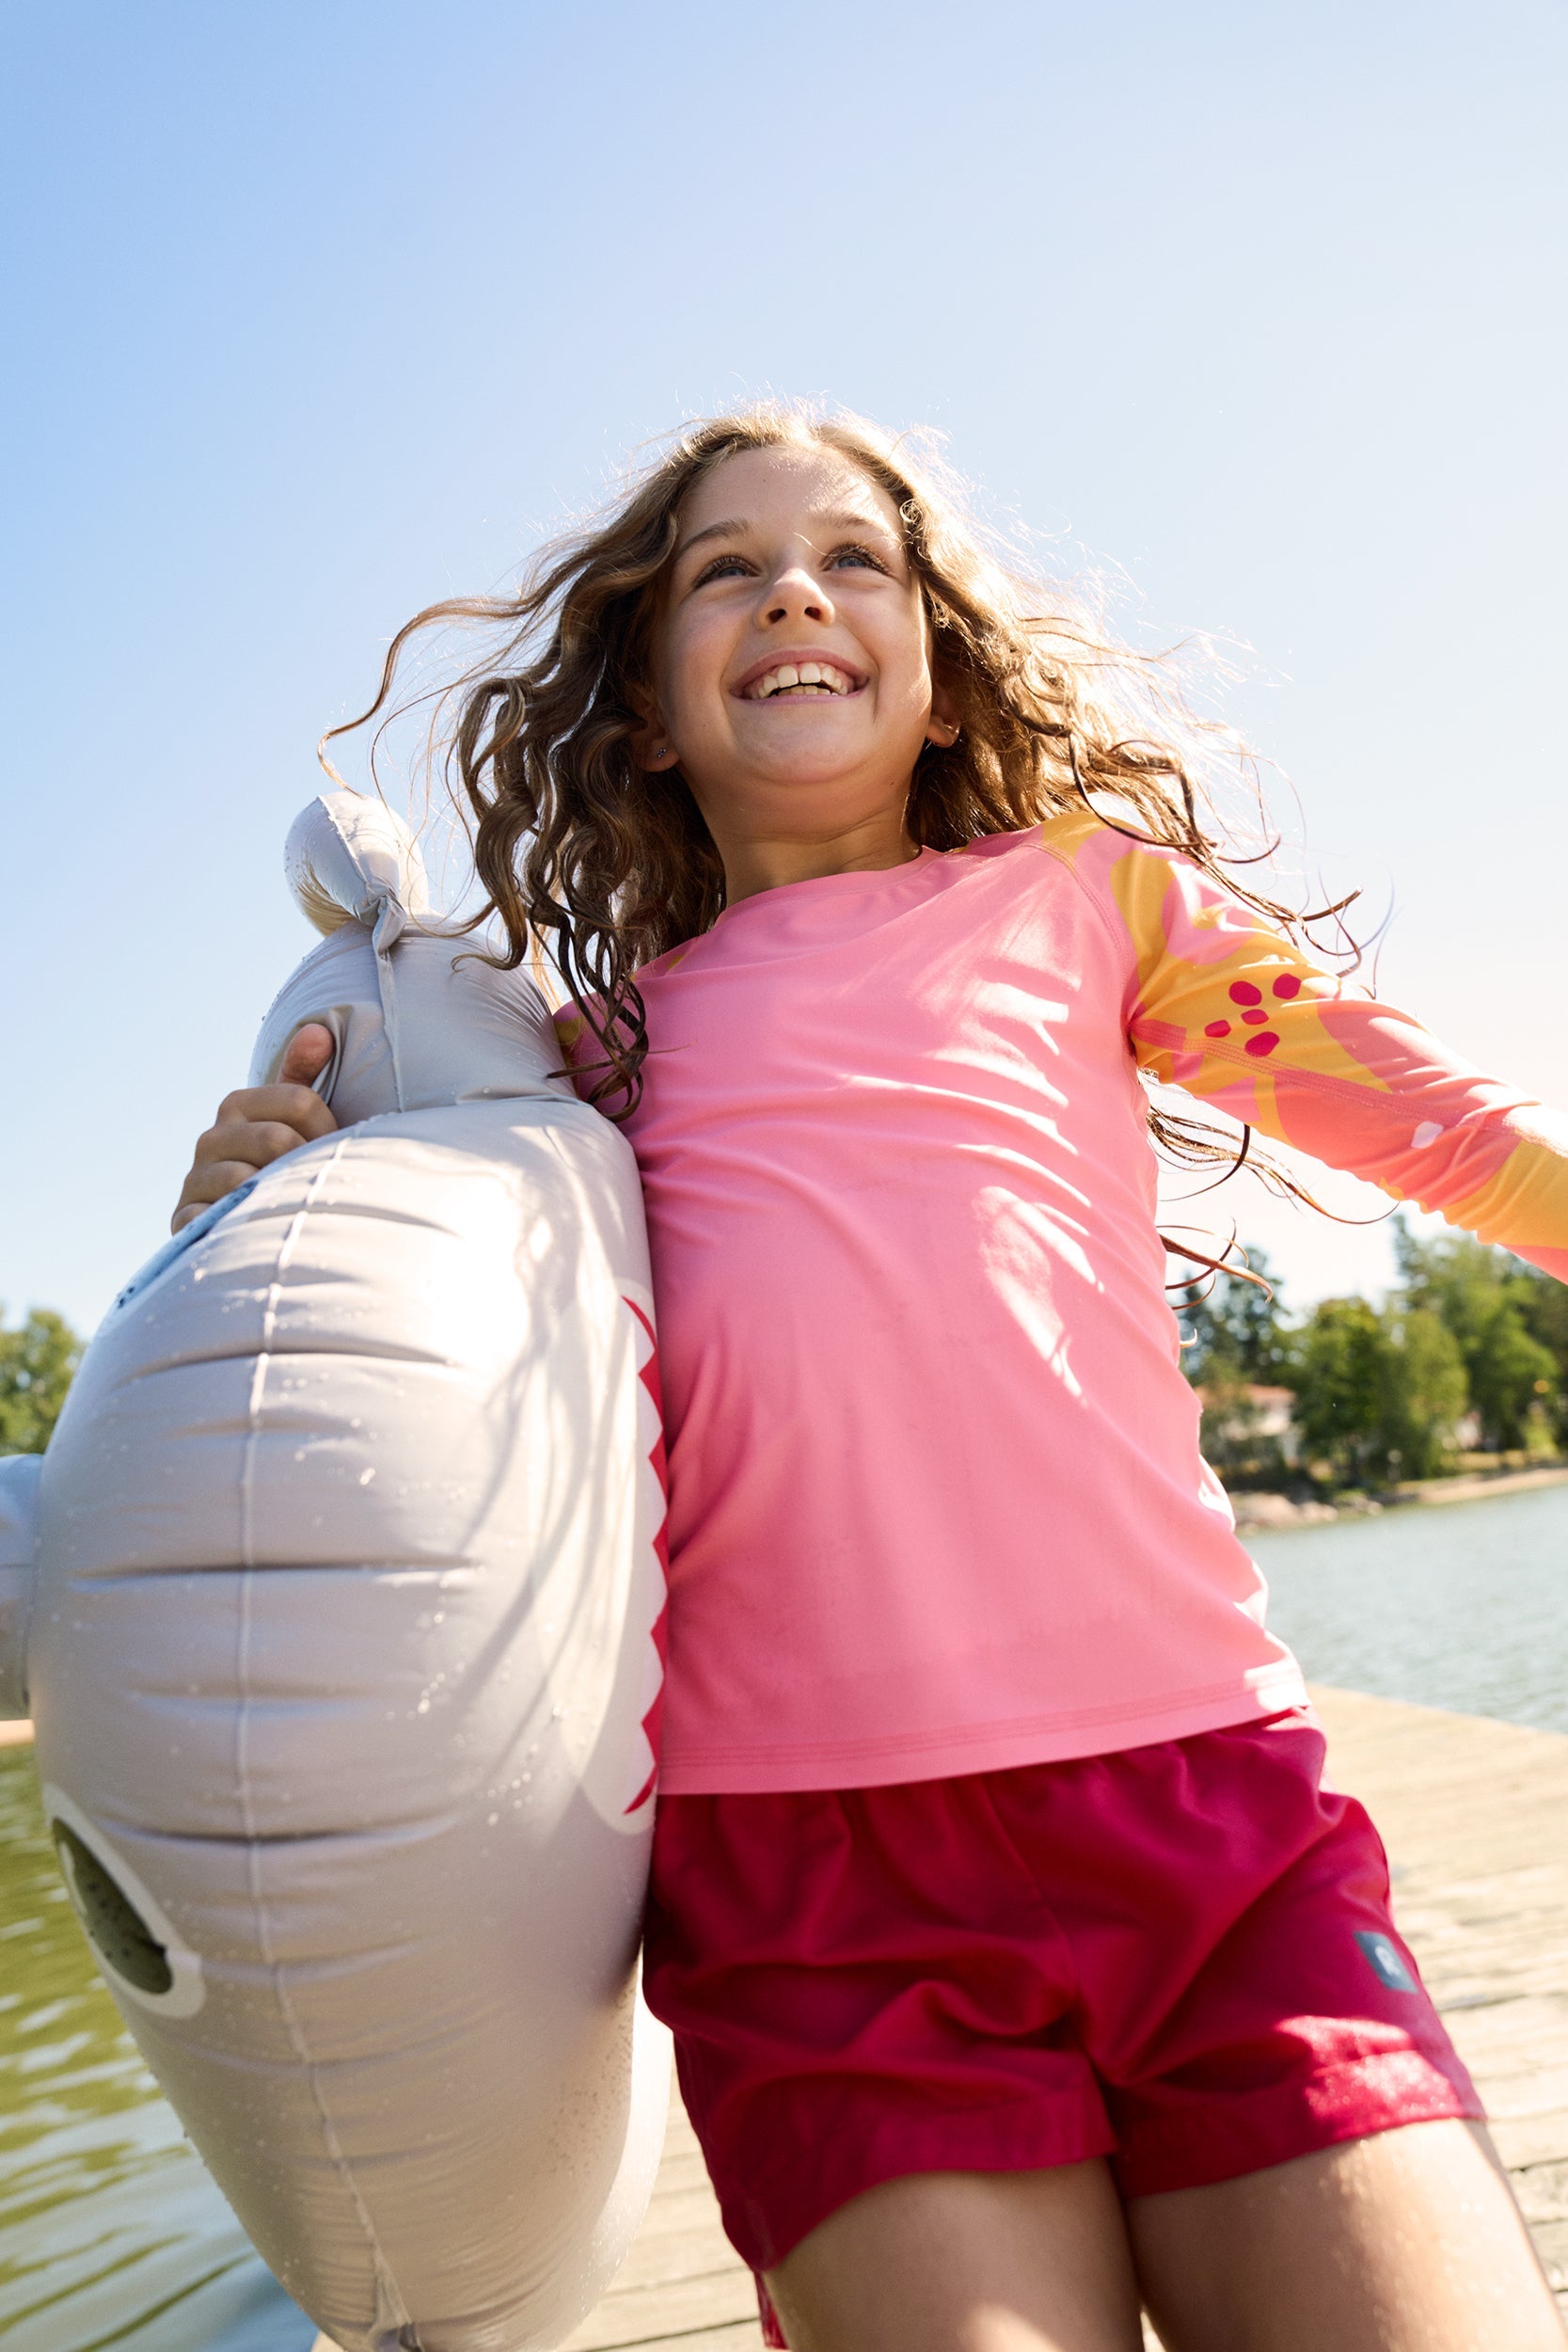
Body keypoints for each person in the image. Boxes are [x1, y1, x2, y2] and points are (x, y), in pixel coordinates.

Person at [174, 407, 1568, 2352]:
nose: (794, 593)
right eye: (726, 570)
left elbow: (1446, 1133)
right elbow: (393, 1369)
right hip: (817, 1894)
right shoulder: (579, 1072)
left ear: (938, 669)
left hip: (1213, 1822)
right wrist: (250, 1214)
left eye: (853, 559)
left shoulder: (1092, 904)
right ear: (644, 714)